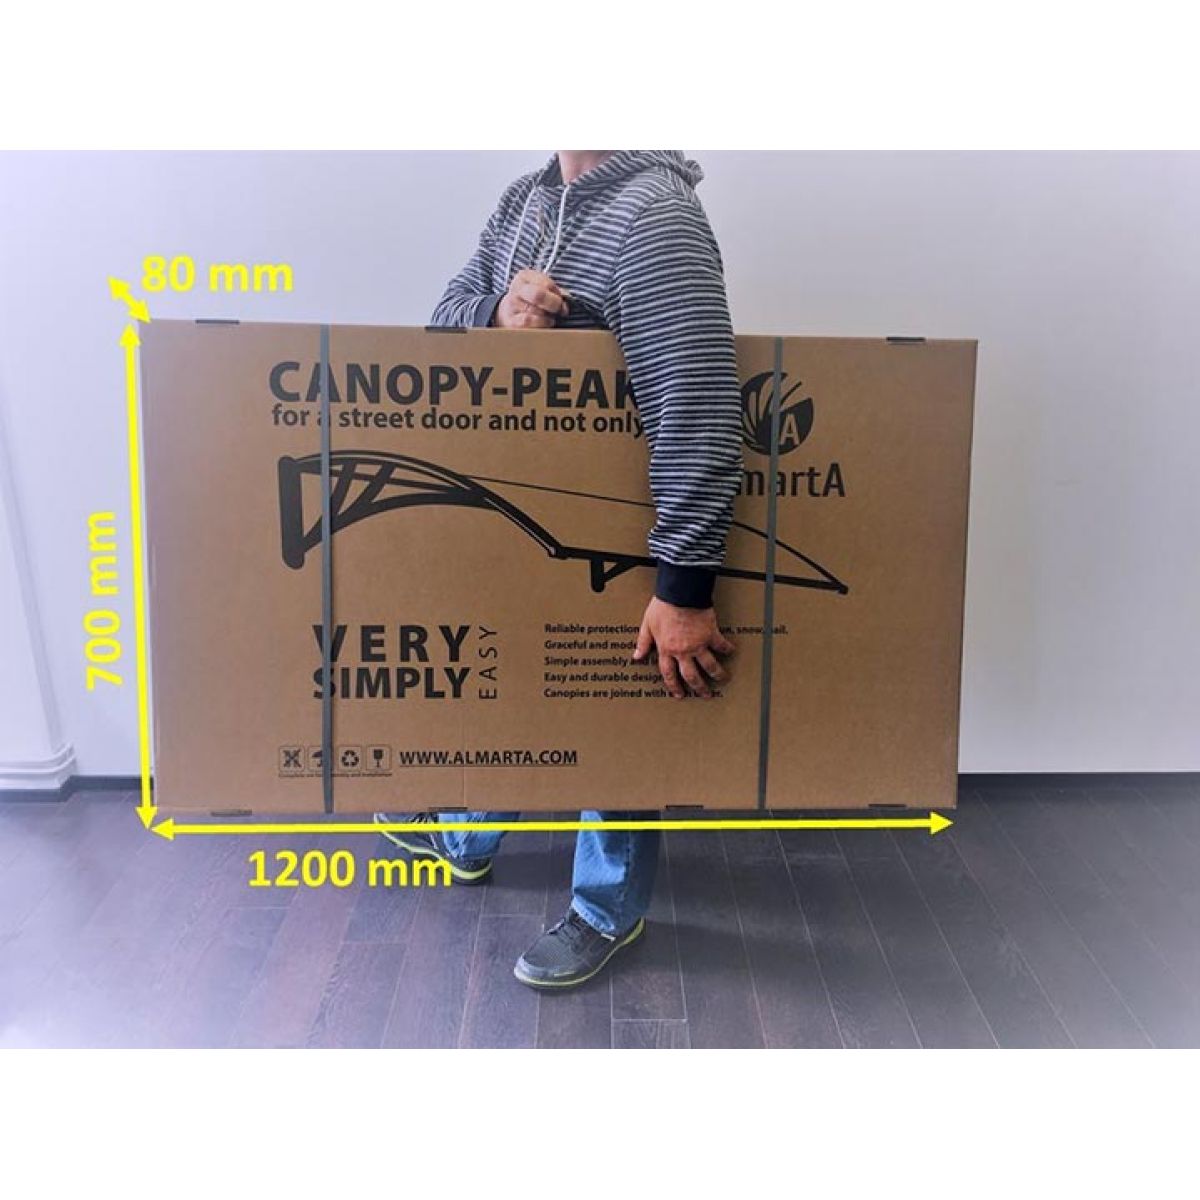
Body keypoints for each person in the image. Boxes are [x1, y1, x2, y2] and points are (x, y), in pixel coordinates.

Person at [376, 150, 742, 990]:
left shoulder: (656, 216)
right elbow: (440, 324)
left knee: (613, 707)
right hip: (521, 516)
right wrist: (499, 313)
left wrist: (684, 588)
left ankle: (608, 909)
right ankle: (465, 836)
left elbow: (696, 404)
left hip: (621, 534)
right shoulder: (527, 199)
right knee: (507, 682)